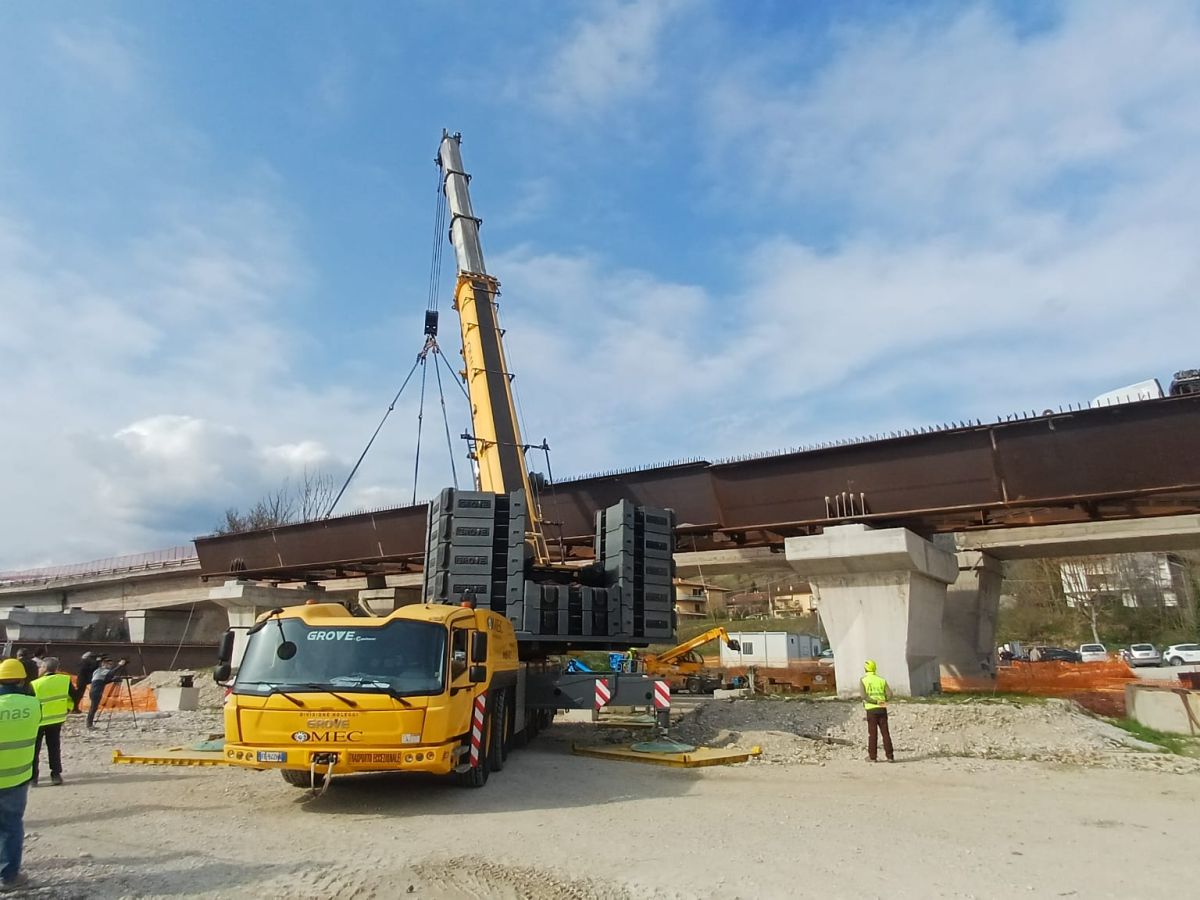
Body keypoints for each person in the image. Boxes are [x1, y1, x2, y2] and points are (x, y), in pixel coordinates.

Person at [0, 657, 41, 891]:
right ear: (23, 680)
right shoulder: (33, 705)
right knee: (11, 826)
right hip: (16, 779)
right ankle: (8, 877)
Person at [30, 658, 71, 786]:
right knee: (54, 747)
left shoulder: (35, 684)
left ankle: (33, 778)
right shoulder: (65, 680)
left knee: (34, 749)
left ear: (44, 668)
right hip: (57, 719)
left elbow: (29, 702)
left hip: (38, 721)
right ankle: (56, 774)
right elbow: (74, 695)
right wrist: (69, 708)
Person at [860, 659, 894, 763]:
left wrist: (874, 701)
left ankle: (872, 757)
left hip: (871, 710)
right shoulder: (881, 680)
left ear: (866, 668)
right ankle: (890, 756)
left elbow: (864, 696)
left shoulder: (863, 680)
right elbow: (890, 695)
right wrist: (882, 702)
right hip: (882, 709)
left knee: (873, 734)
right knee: (885, 733)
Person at [85, 656, 117, 730]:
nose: (110, 666)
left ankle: (89, 723)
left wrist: (113, 680)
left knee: (93, 708)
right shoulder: (103, 670)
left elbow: (104, 681)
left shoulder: (97, 671)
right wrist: (120, 665)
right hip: (96, 692)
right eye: (109, 664)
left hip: (94, 691)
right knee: (93, 708)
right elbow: (111, 673)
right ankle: (89, 724)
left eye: (111, 665)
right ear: (104, 664)